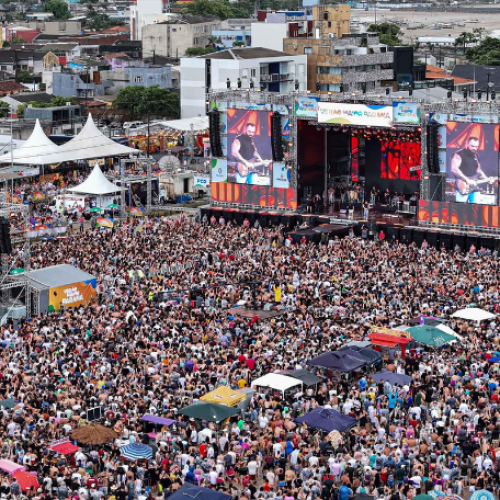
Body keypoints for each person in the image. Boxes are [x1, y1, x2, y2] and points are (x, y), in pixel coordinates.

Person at [451, 136, 495, 203]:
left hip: (474, 189)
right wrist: (467, 180)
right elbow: (454, 169)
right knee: (460, 210)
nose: (474, 148)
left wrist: (487, 179)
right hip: (462, 188)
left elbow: (478, 170)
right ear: (467, 143)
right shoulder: (459, 154)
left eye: (476, 146)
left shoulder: (476, 155)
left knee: (476, 209)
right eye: (472, 146)